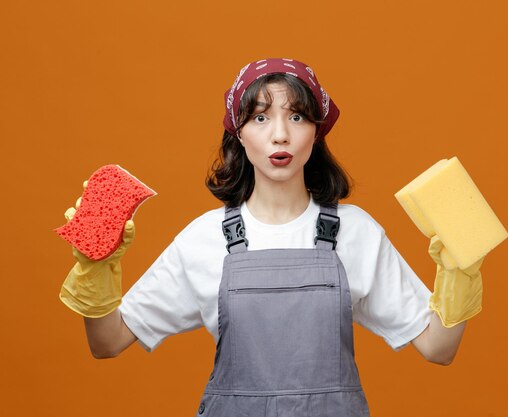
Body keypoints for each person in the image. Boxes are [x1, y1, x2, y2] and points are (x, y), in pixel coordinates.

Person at [59, 58, 484, 416]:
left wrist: (459, 273)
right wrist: (96, 270)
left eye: (296, 116)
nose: (280, 134)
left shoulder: (355, 233)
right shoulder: (204, 239)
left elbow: (437, 348)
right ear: (238, 133)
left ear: (316, 132)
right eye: (260, 117)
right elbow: (108, 342)